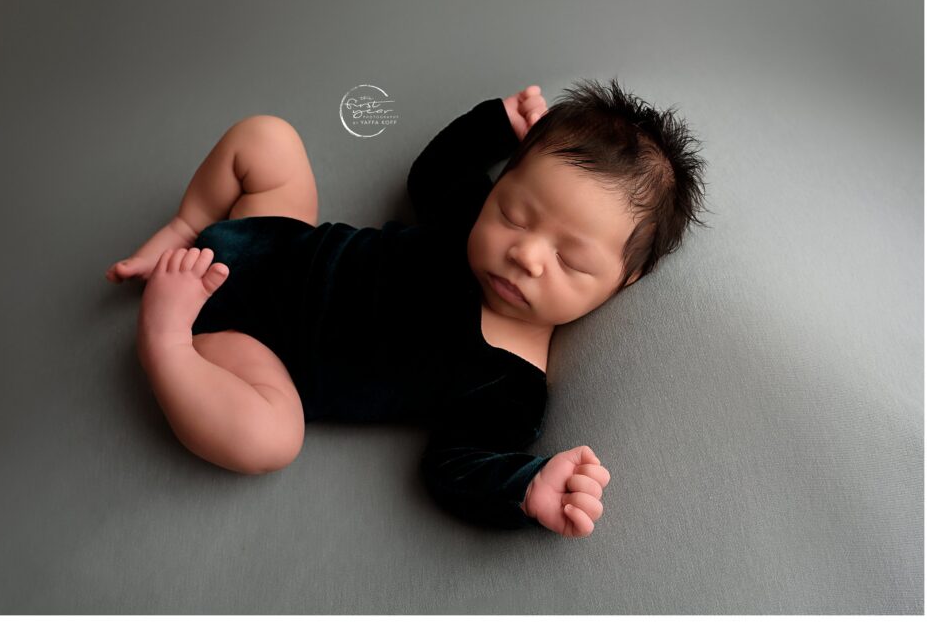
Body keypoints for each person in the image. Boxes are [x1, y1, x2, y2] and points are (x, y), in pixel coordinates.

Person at [105, 79, 709, 538]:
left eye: (570, 260)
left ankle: (165, 338)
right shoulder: (468, 225)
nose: (523, 253)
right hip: (279, 236)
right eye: (513, 214)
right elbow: (437, 171)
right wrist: (497, 125)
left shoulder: (510, 385)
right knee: (268, 138)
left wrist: (525, 487)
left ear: (623, 280)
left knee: (271, 438)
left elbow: (454, 467)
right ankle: (184, 225)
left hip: (255, 345)